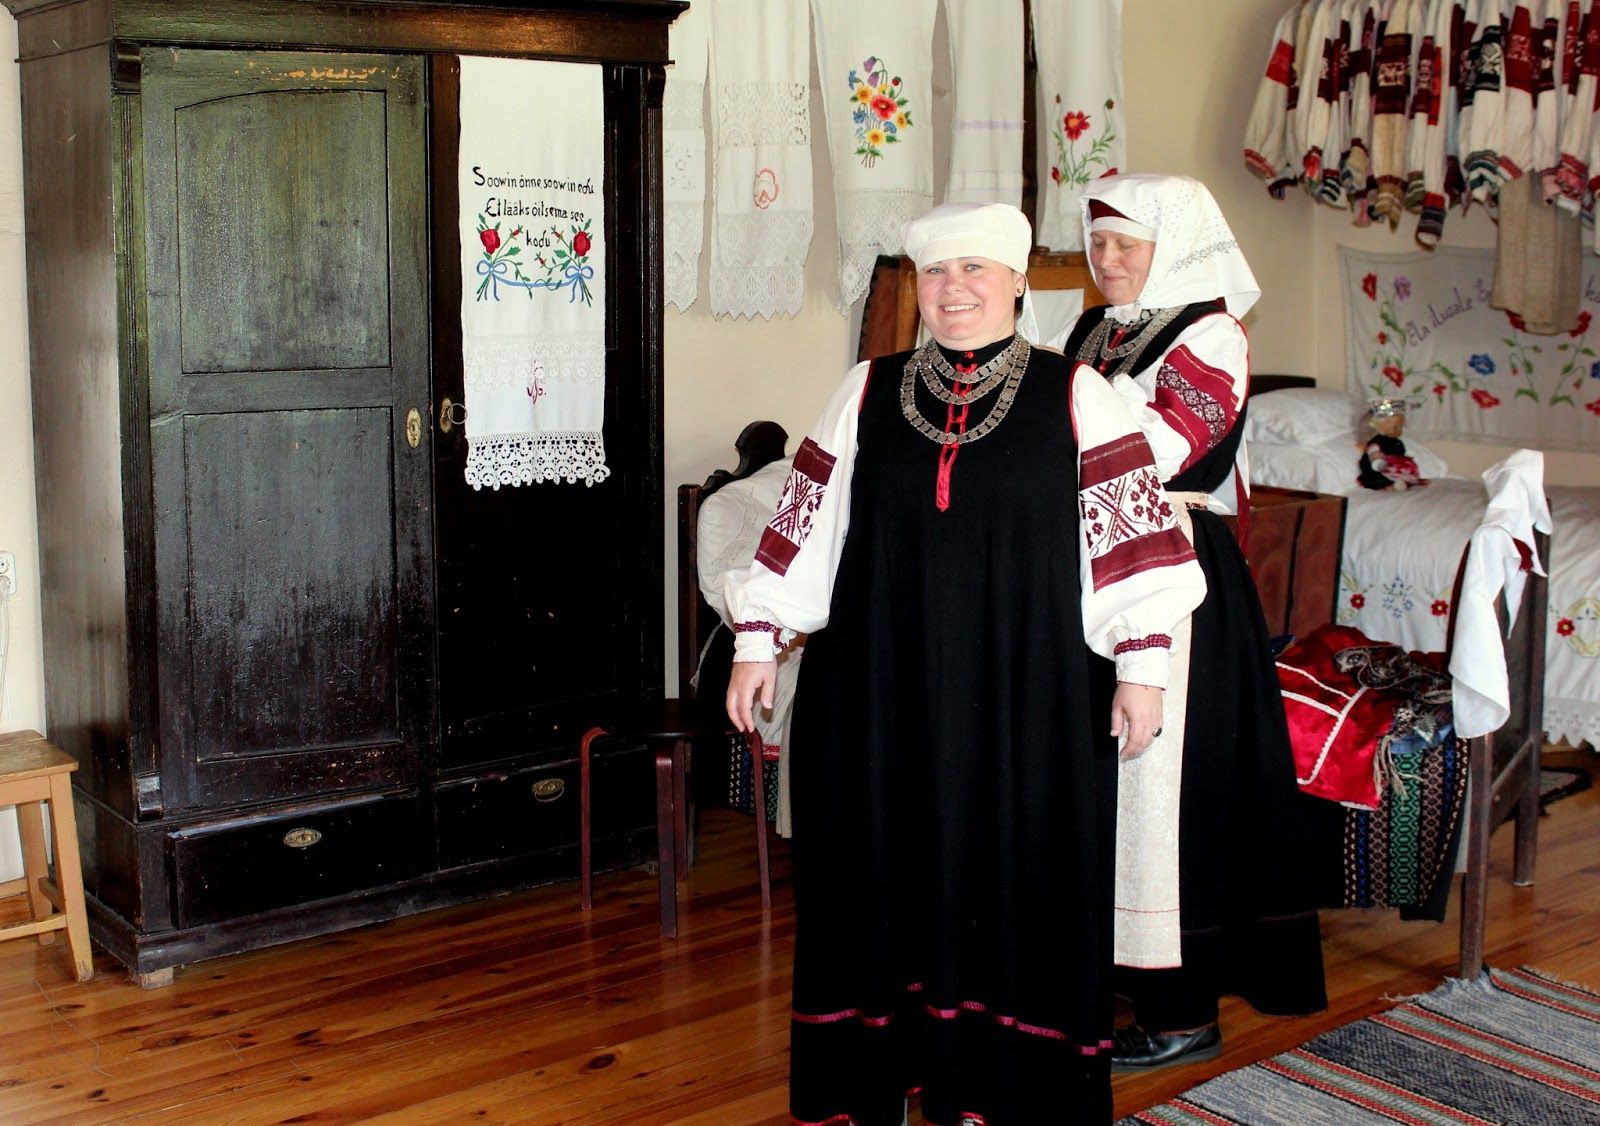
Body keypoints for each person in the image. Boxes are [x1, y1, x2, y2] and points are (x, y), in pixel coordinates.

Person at [725, 201, 1207, 1125]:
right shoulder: (866, 389)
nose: (953, 292)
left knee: (1015, 869)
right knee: (879, 871)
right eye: (937, 275)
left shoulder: (1080, 394)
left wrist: (1142, 666)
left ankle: (1003, 1088)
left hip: (1028, 691)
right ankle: (886, 1079)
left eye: (975, 271)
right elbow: (803, 530)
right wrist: (759, 641)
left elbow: (1133, 548)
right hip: (880, 688)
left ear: (1019, 282)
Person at [1047, 173, 1330, 1070]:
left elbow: (1158, 445)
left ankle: (1183, 1008)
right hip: (1088, 562)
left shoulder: (1210, 333)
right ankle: (1094, 982)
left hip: (1174, 570)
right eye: (1099, 245)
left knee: (1163, 789)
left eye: (1127, 243)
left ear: (1175, 244)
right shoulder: (1089, 330)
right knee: (1097, 778)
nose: (1109, 260)